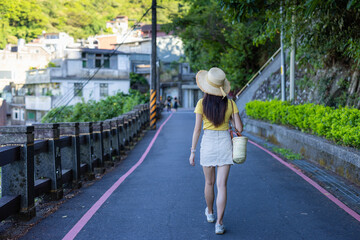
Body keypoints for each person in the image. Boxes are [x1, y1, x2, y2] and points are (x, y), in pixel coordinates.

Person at [189, 67, 243, 235]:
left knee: (209, 183)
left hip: (208, 143)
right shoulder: (230, 103)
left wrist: (192, 151)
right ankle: (219, 223)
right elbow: (240, 128)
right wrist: (233, 116)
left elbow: (197, 130)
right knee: (222, 185)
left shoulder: (201, 104)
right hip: (225, 143)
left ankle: (211, 213)